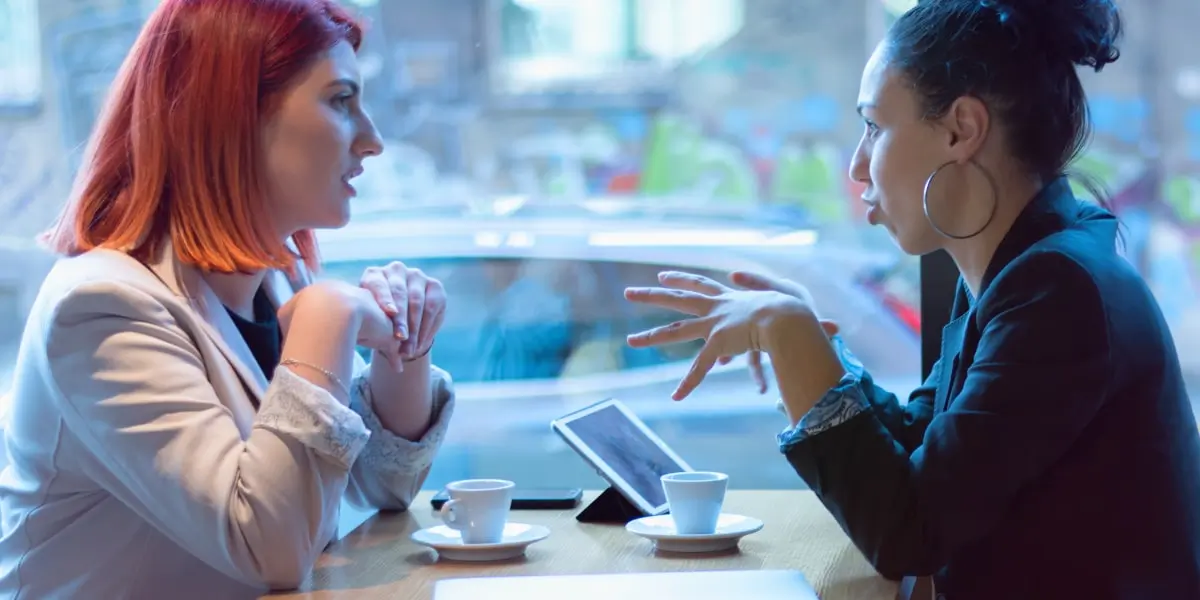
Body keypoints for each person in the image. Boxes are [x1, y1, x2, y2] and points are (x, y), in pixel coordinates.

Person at [623, 1, 1200, 598]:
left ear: (961, 129)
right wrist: (810, 347)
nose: (857, 166)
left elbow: (909, 532)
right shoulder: (1025, 270)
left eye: (874, 127)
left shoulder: (1058, 291)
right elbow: (926, 446)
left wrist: (791, 333)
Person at [0, 0, 456, 597]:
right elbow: (270, 549)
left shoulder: (273, 279)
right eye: (341, 100)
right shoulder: (100, 310)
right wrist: (331, 315)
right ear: (234, 119)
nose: (372, 141)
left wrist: (406, 342)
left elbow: (385, 486)